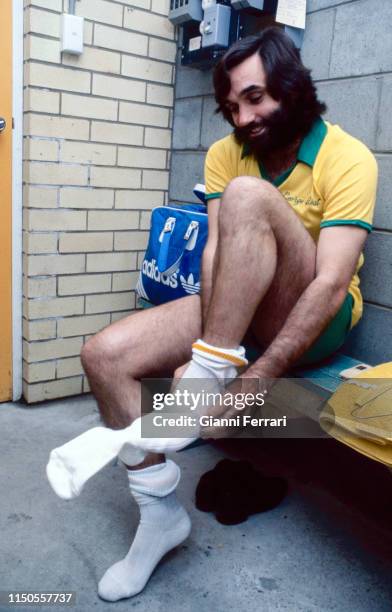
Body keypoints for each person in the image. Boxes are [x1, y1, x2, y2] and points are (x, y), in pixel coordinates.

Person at [47, 28, 378, 601]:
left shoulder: (346, 156)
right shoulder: (226, 153)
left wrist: (251, 380)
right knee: (103, 356)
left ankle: (209, 371)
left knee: (249, 197)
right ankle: (159, 517)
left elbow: (327, 285)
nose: (243, 117)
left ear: (291, 86)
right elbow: (215, 254)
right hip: (239, 310)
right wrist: (212, 335)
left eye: (255, 97)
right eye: (230, 107)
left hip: (316, 318)